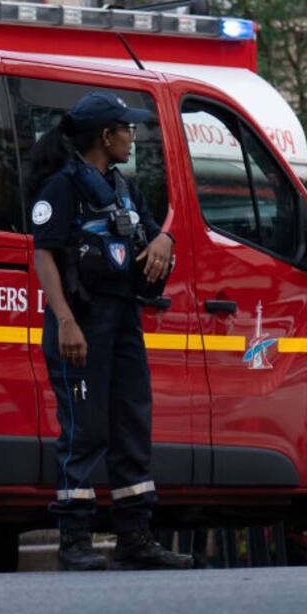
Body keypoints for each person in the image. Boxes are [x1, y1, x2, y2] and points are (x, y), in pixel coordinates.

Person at [26, 92, 192, 571]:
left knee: (131, 422)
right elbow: (45, 254)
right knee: (85, 427)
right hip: (81, 319)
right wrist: (66, 321)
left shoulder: (121, 187)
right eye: (126, 130)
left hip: (123, 319)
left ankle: (135, 537)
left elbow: (156, 231)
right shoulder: (63, 187)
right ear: (105, 136)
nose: (132, 137)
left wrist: (165, 238)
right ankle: (74, 540)